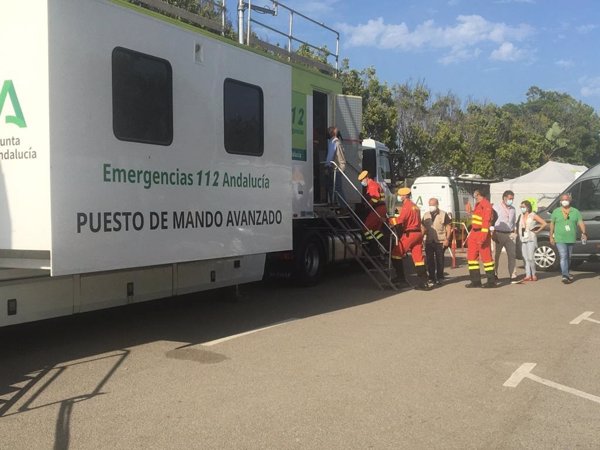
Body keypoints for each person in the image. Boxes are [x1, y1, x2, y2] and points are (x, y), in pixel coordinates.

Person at [389, 187, 430, 290]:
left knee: (396, 254)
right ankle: (424, 282)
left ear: (404, 196)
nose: (399, 197)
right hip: (418, 233)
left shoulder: (407, 206)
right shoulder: (415, 206)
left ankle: (401, 279)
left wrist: (389, 220)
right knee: (418, 258)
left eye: (400, 195)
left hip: (410, 234)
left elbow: (401, 220)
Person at [549, 193, 587, 284]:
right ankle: (565, 275)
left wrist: (584, 232)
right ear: (560, 201)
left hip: (571, 238)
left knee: (568, 257)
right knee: (563, 256)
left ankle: (566, 272)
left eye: (566, 199)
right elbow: (552, 224)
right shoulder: (556, 211)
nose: (565, 201)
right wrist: (551, 236)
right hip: (559, 238)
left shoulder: (575, 211)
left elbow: (580, 222)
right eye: (563, 200)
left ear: (570, 201)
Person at [466, 190, 496, 288]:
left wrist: (483, 237)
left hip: (482, 233)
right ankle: (475, 281)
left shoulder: (486, 204)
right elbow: (477, 219)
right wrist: (470, 212)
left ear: (479, 194)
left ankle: (491, 282)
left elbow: (486, 222)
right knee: (471, 258)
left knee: (486, 258)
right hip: (474, 232)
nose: (474, 196)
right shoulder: (478, 204)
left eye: (475, 195)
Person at [422, 198, 452, 285]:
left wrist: (447, 239)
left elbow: (448, 227)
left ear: (437, 204)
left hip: (440, 241)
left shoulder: (443, 214)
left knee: (440, 260)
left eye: (433, 205)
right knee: (429, 260)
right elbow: (423, 228)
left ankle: (440, 277)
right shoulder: (426, 215)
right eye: (430, 205)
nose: (431, 207)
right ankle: (431, 277)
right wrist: (421, 238)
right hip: (429, 241)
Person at [492, 190, 519, 283]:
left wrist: (515, 232)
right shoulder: (496, 207)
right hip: (498, 233)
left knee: (512, 255)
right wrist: (493, 233)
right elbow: (491, 221)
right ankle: (494, 274)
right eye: (510, 198)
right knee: (496, 255)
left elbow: (514, 221)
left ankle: (513, 275)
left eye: (512, 199)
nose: (511, 200)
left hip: (510, 234)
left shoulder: (513, 209)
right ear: (504, 198)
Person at [517, 200, 547, 282]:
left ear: (527, 207)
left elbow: (544, 223)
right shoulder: (521, 216)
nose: (521, 208)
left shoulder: (533, 215)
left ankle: (533, 274)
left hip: (531, 238)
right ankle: (527, 275)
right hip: (523, 239)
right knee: (525, 258)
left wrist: (537, 230)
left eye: (523, 207)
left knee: (530, 258)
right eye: (521, 207)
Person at [358, 170, 386, 254]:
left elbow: (375, 197)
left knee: (366, 228)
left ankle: (373, 247)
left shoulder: (372, 185)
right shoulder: (372, 185)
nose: (362, 182)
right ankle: (381, 244)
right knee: (375, 230)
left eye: (362, 180)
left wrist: (367, 205)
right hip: (380, 208)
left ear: (366, 178)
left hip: (378, 209)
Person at [325, 126, 347, 204]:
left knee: (337, 188)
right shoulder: (333, 142)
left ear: (333, 133)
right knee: (331, 186)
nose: (328, 131)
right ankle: (334, 203)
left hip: (337, 168)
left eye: (329, 130)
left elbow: (330, 155)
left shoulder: (335, 143)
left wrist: (327, 166)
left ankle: (344, 207)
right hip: (336, 167)